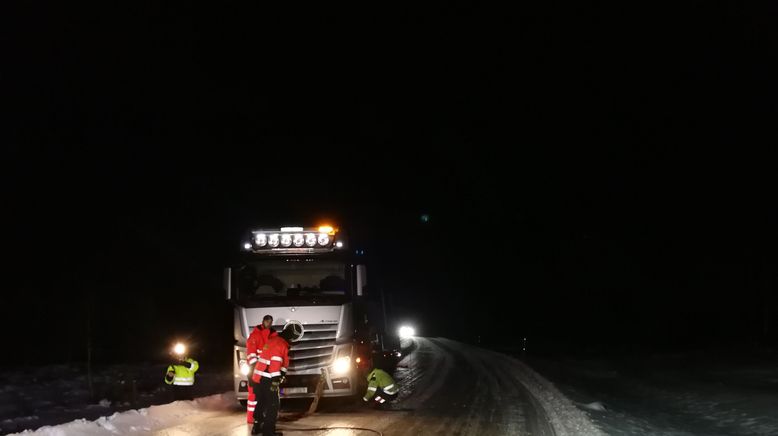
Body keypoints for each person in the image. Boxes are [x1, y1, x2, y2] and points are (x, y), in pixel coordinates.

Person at [251, 323, 303, 436]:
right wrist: (275, 380)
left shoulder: (274, 341)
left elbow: (278, 363)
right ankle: (268, 432)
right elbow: (275, 363)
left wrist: (282, 374)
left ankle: (257, 426)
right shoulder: (281, 344)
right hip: (268, 378)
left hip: (259, 377)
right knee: (273, 404)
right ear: (292, 337)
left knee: (262, 402)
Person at [246, 315, 277, 423]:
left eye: (270, 322)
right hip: (255, 370)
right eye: (267, 321)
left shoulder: (274, 335)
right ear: (263, 321)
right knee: (254, 395)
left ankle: (262, 418)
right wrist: (256, 369)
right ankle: (252, 418)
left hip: (267, 372)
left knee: (265, 396)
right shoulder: (255, 335)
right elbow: (251, 354)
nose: (269, 323)